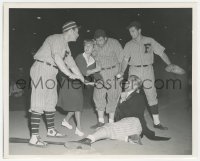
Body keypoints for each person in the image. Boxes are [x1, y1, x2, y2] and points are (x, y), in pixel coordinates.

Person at [64, 75, 170, 150]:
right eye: (127, 81)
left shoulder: (139, 97)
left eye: (129, 82)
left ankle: (87, 140)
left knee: (109, 128)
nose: (126, 83)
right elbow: (119, 115)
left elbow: (134, 115)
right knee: (107, 128)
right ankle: (129, 138)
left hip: (135, 123)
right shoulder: (123, 94)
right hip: (126, 124)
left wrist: (123, 101)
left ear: (135, 86)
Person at [29, 21, 84, 147]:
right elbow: (57, 57)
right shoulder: (56, 38)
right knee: (38, 102)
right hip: (42, 67)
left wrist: (83, 79)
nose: (78, 34)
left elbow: (73, 65)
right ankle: (34, 137)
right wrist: (69, 74)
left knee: (50, 102)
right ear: (70, 30)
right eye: (77, 31)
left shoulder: (65, 46)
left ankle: (51, 130)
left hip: (51, 71)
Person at [118, 21, 173, 130]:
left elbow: (161, 53)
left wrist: (170, 64)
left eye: (133, 31)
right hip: (134, 71)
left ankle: (157, 123)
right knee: (129, 96)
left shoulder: (149, 41)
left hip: (148, 70)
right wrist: (121, 72)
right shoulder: (128, 44)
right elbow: (125, 60)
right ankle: (127, 123)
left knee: (151, 95)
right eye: (130, 32)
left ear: (139, 30)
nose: (131, 34)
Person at [58, 39, 102, 137]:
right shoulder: (79, 57)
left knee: (76, 104)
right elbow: (84, 72)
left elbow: (96, 74)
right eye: (85, 46)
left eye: (89, 46)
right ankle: (79, 128)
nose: (87, 48)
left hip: (78, 83)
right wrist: (96, 70)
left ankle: (65, 120)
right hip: (70, 81)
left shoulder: (92, 60)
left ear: (93, 48)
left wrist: (100, 81)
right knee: (78, 104)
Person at [91, 29, 123, 128]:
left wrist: (121, 73)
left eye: (101, 40)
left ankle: (111, 122)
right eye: (97, 40)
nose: (99, 43)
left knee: (113, 96)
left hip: (113, 71)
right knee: (98, 96)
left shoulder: (114, 43)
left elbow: (121, 59)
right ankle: (100, 121)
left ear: (106, 38)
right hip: (100, 72)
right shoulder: (93, 44)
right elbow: (89, 59)